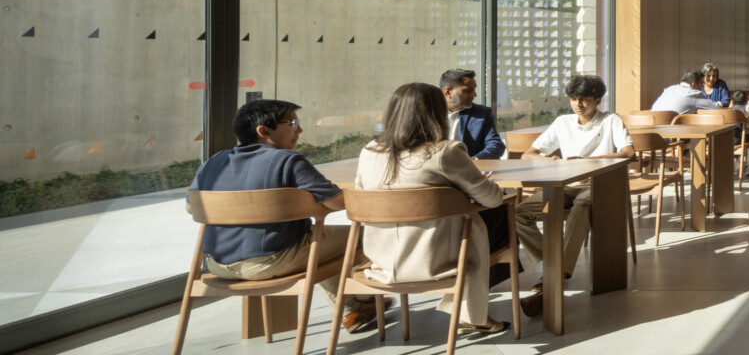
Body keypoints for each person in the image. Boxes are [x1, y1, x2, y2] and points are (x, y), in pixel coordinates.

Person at [189, 99, 377, 334]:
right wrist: (315, 206)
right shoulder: (287, 160)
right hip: (272, 260)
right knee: (366, 236)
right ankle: (361, 302)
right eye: (292, 123)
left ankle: (356, 308)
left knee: (317, 242)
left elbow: (191, 208)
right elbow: (337, 202)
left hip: (217, 265)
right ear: (264, 131)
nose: (300, 130)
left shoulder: (212, 163)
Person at [355, 82, 512, 336]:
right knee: (493, 217)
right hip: (438, 261)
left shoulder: (369, 152)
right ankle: (472, 314)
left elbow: (362, 196)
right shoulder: (445, 152)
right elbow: (492, 198)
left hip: (380, 261)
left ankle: (469, 312)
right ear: (437, 113)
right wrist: (480, 185)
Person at [515, 74, 633, 316]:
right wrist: (549, 159)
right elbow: (529, 154)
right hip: (562, 184)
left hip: (598, 183)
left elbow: (628, 152)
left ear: (598, 100)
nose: (578, 105)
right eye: (574, 99)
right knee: (519, 213)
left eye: (585, 100)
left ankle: (558, 275)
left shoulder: (610, 119)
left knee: (582, 207)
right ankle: (555, 264)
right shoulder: (562, 122)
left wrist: (587, 161)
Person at [440, 67, 506, 160]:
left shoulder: (482, 113)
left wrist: (475, 159)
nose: (474, 94)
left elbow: (495, 145)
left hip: (469, 169)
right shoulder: (427, 113)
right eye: (467, 90)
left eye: (474, 89)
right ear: (448, 91)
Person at [652, 70, 722, 115]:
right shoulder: (693, 93)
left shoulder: (669, 89)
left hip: (653, 134)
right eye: (702, 83)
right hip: (674, 135)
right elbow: (716, 109)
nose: (703, 86)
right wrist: (718, 104)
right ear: (693, 85)